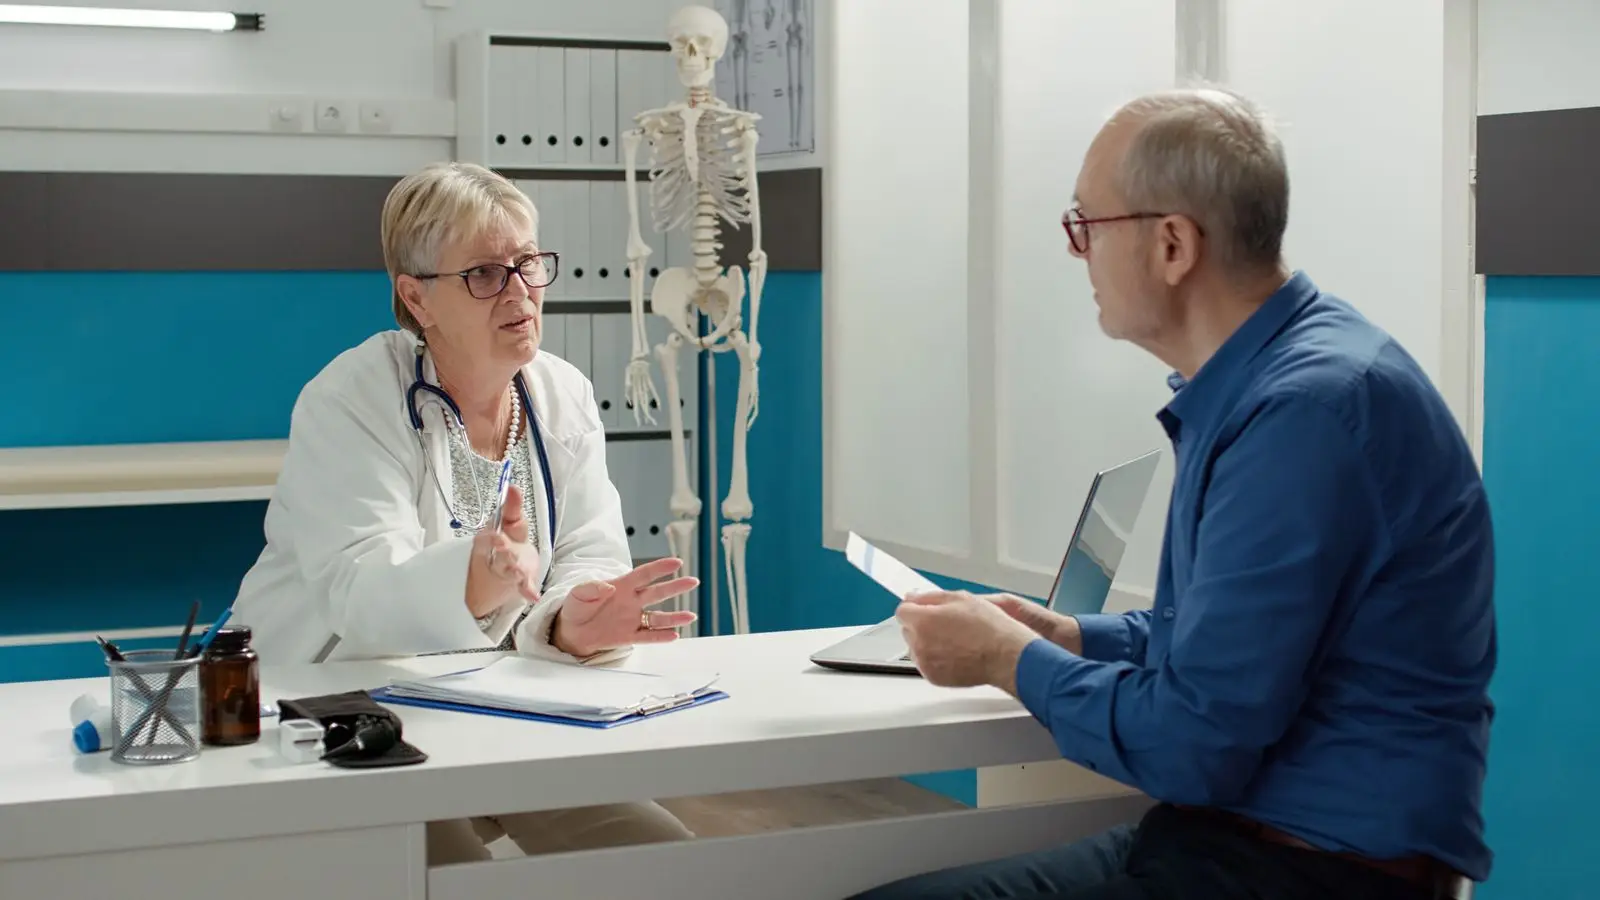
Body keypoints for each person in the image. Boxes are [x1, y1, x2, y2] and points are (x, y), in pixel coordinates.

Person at [851, 88, 1495, 899]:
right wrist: (1071, 635)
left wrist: (1010, 659)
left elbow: (1194, 741)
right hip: (1232, 839)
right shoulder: (1276, 380)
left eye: (1085, 225)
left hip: (1309, 871)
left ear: (1172, 245)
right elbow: (1221, 646)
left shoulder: (1304, 412)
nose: (1075, 252)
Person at [230, 161, 701, 862]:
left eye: (528, 264)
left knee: (661, 861)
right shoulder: (351, 399)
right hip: (333, 707)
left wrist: (571, 618)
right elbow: (359, 592)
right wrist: (472, 580)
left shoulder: (560, 395)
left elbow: (588, 552)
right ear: (416, 298)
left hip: (501, 704)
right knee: (449, 873)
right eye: (485, 274)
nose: (519, 292)